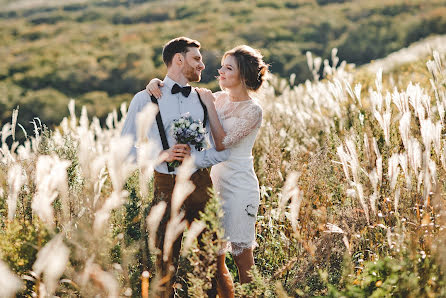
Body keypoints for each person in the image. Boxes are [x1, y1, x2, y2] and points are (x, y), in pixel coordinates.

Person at [146, 45, 268, 297]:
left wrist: (210, 105)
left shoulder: (252, 110)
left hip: (239, 186)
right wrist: (155, 83)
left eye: (228, 68)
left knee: (243, 259)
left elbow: (223, 143)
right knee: (215, 259)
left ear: (243, 76)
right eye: (222, 66)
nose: (220, 71)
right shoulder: (216, 97)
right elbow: (178, 96)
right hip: (212, 185)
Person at [121, 37, 230, 298]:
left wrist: (197, 156)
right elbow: (124, 151)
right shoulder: (144, 98)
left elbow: (220, 148)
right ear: (179, 60)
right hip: (166, 185)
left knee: (210, 258)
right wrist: (160, 154)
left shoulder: (205, 98)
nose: (202, 66)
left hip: (201, 184)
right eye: (197, 59)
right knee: (163, 261)